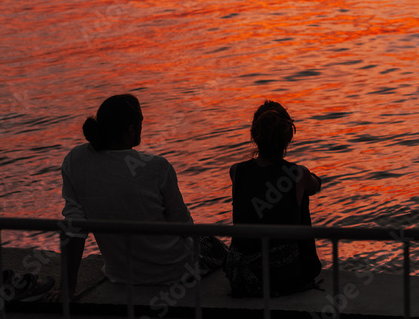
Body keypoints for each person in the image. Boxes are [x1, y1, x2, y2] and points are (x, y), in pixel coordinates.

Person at [60, 94, 225, 294]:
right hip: (174, 272)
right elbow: (183, 227)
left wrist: (66, 288)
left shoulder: (75, 160)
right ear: (131, 129)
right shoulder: (157, 167)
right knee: (214, 245)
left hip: (121, 274)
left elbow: (73, 228)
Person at [224, 100, 322, 297]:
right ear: (287, 137)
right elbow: (316, 186)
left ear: (254, 135)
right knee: (301, 198)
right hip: (282, 277)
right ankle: (307, 266)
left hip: (242, 277)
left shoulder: (236, 172)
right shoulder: (297, 174)